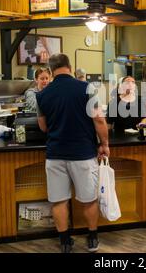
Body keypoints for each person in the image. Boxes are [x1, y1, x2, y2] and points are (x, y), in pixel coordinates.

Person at [36, 53, 109, 253]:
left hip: (55, 154)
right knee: (89, 199)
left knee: (59, 200)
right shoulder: (87, 88)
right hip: (83, 154)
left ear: (50, 71)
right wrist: (104, 144)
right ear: (70, 66)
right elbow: (99, 120)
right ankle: (92, 238)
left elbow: (43, 127)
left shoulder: (42, 94)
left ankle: (65, 242)